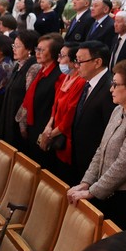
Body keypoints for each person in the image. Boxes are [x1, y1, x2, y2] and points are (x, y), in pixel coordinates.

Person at [69, 60, 126, 228]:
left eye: (115, 85)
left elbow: (125, 164)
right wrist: (86, 182)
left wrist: (93, 191)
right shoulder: (118, 109)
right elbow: (101, 149)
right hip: (106, 190)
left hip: (124, 197)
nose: (111, 89)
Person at [68, 41, 117, 184]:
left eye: (80, 61)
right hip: (80, 156)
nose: (76, 65)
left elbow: (108, 130)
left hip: (94, 161)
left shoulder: (110, 88)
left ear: (97, 62)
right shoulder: (89, 82)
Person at [40, 44, 87, 180]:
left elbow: (70, 115)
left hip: (65, 139)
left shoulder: (80, 81)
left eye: (63, 56)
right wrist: (48, 126)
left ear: (73, 61)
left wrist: (49, 135)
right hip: (54, 132)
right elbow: (55, 105)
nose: (59, 60)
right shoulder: (65, 77)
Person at [0, 29, 40, 147]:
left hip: (19, 123)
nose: (14, 49)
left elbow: (29, 98)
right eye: (14, 45)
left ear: (29, 49)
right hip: (9, 114)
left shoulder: (34, 67)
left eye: (18, 46)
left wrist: (22, 124)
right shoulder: (18, 64)